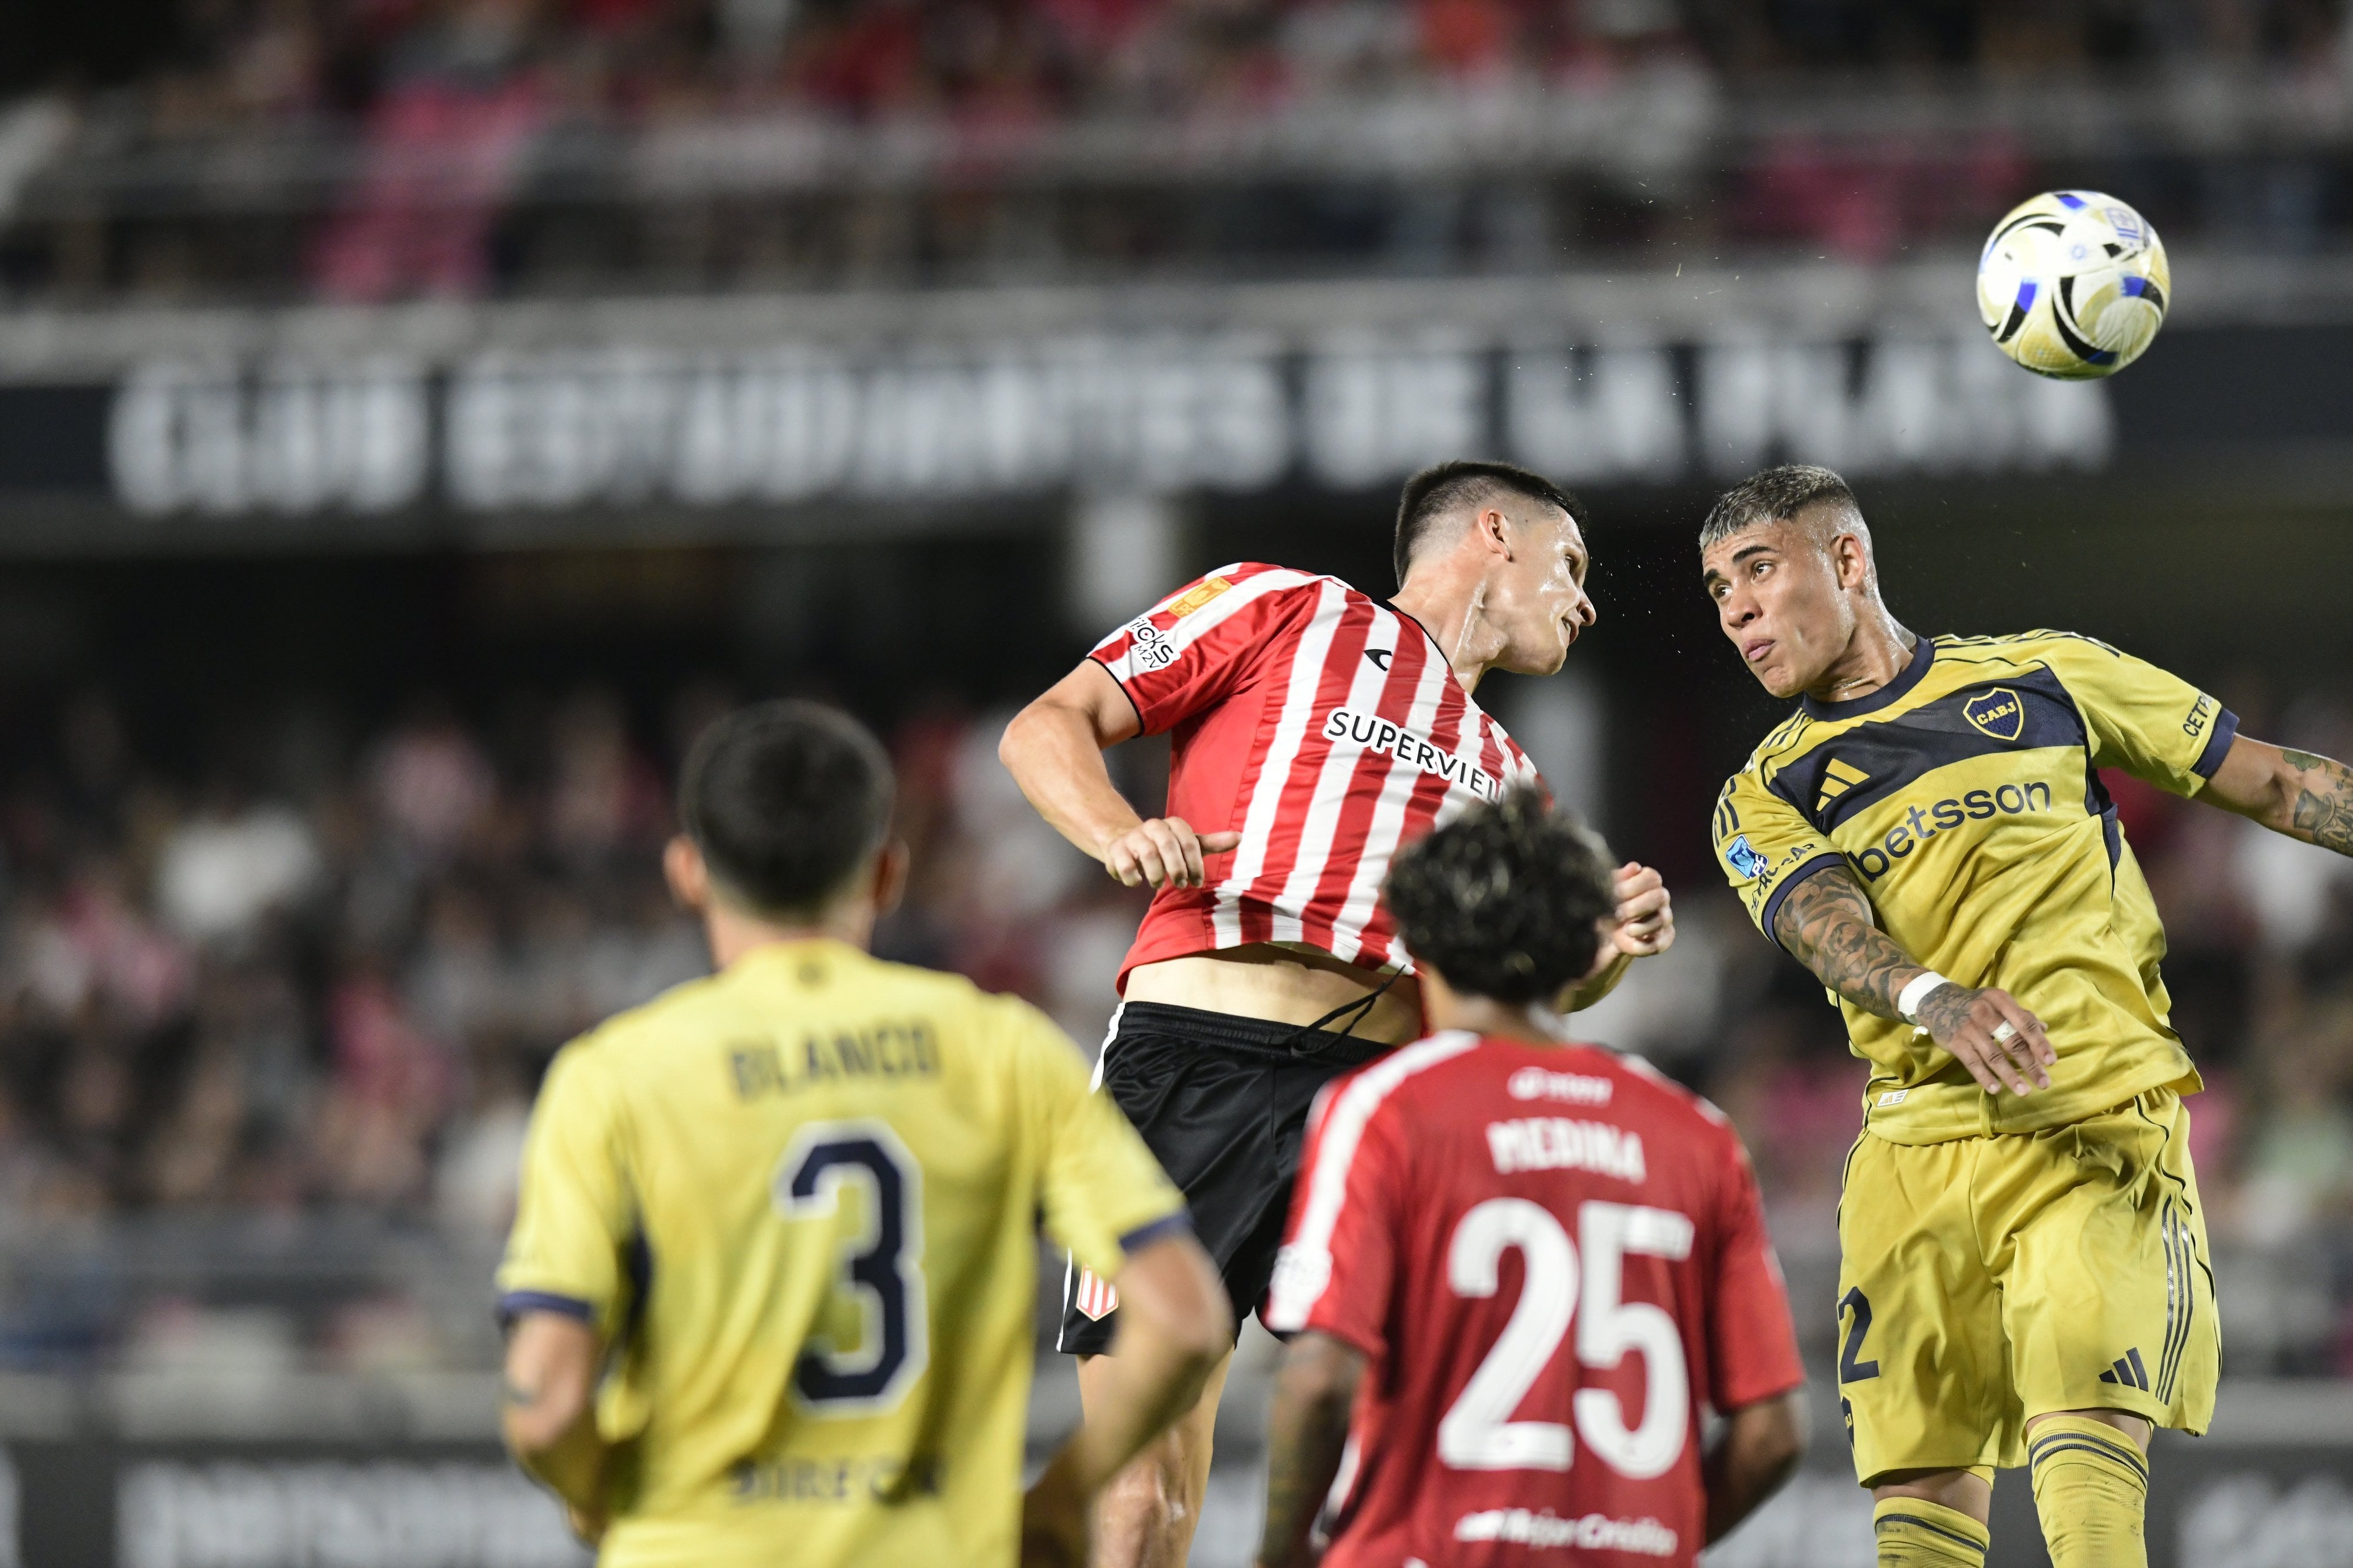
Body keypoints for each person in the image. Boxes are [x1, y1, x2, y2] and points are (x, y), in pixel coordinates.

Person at [999, 460, 1677, 1566]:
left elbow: (1524, 995)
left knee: (1420, 1472)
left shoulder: (1518, 784)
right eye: (1572, 564)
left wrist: (1604, 952)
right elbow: (1048, 722)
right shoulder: (1283, 606)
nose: (1587, 602)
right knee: (1141, 1500)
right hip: (1190, 1068)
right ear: (1494, 532)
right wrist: (1118, 831)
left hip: (1377, 1110)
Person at [1699, 465, 2353, 1568]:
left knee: (2087, 1496)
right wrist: (1932, 996)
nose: (1737, 610)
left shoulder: (2047, 674)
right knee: (1920, 1529)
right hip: (1910, 1154)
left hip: (2088, 1114)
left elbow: (2272, 783)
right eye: (1720, 590)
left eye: (1758, 570)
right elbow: (1819, 916)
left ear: (1848, 559)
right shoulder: (1762, 790)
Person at [496, 700, 1232, 1568]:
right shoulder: (1003, 1051)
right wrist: (1062, 1503)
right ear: (886, 873)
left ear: (687, 872)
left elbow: (544, 1404)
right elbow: (1184, 1317)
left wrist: (597, 1495)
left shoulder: (614, 1077)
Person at [1255, 789, 1809, 1568]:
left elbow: (1319, 1381)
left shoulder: (1387, 1107)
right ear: (1586, 947)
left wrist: (1279, 1555)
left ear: (1419, 938)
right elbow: (1772, 1432)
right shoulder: (1698, 1134)